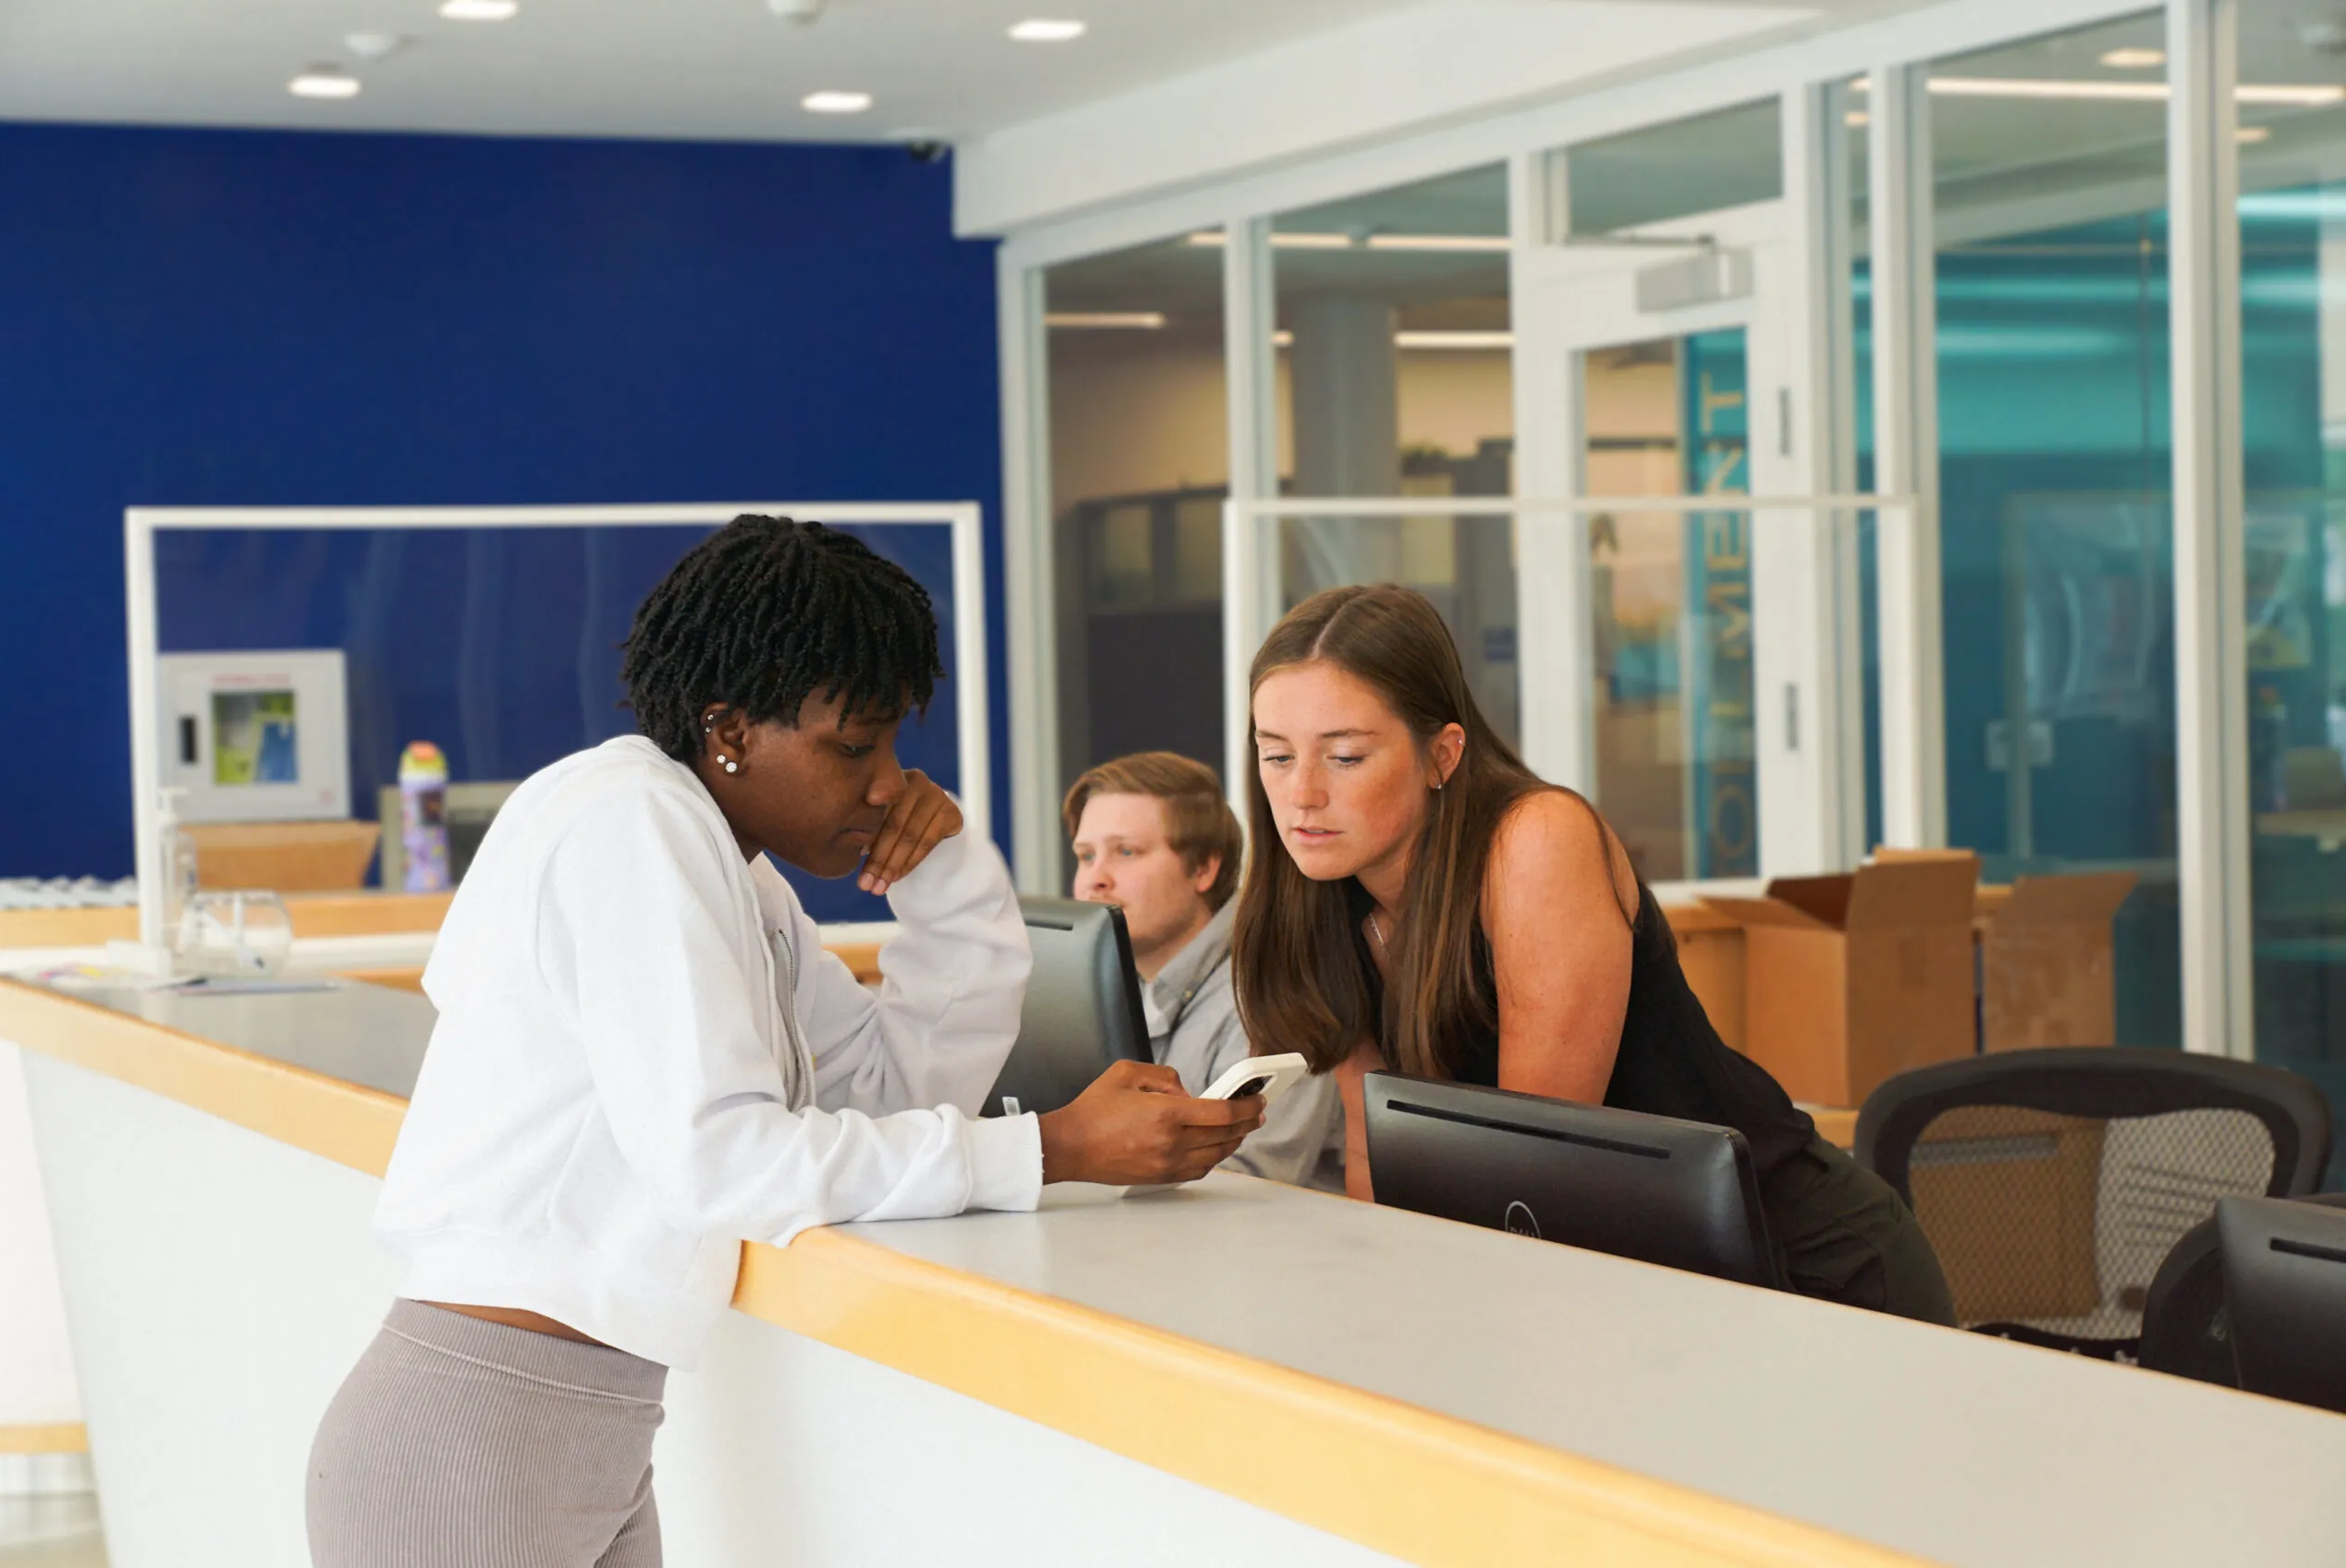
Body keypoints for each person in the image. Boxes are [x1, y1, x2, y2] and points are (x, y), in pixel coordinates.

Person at [307, 516, 1263, 1567]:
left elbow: (882, 1089)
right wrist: (1054, 1148)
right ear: (728, 731)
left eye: (895, 744)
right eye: (854, 746)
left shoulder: (728, 859)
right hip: (482, 1434)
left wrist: (944, 878)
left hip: (570, 1426)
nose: (890, 782)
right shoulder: (633, 820)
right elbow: (719, 1162)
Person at [1229, 583, 1955, 1324]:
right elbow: (1373, 1165)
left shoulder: (1535, 842)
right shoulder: (1320, 896)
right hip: (1626, 1287)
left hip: (1798, 1271)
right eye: (1277, 756)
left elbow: (1529, 1175)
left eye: (1345, 756)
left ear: (1443, 753)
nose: (1302, 794)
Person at [1066, 751, 1343, 1190]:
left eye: (1125, 851)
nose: (1094, 879)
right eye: (1085, 856)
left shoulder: (1274, 994)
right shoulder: (1101, 985)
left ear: (1204, 868)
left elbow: (1243, 1188)